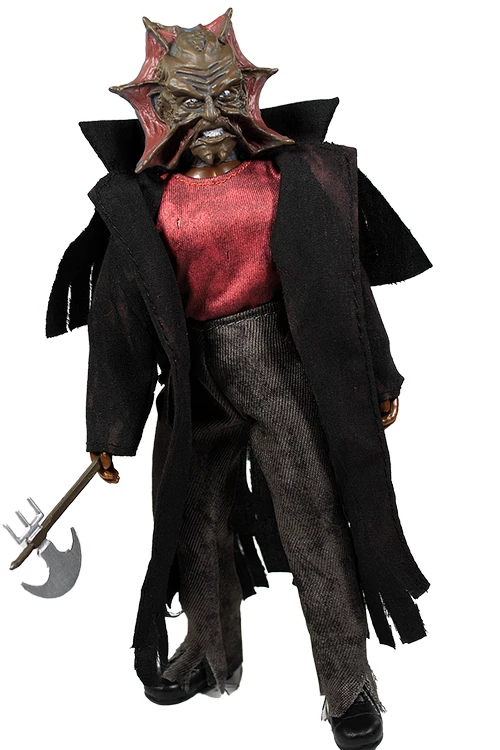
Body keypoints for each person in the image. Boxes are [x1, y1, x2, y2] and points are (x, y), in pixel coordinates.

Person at [47, 10, 431, 749]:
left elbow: (345, 287)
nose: (210, 116)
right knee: (195, 521)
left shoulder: (291, 179)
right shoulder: (147, 203)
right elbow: (119, 323)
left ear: (248, 95)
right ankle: (209, 652)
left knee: (315, 524)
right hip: (196, 381)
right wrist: (110, 427)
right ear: (155, 111)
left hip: (284, 368)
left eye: (224, 95)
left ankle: (349, 684)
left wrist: (377, 374)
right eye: (187, 102)